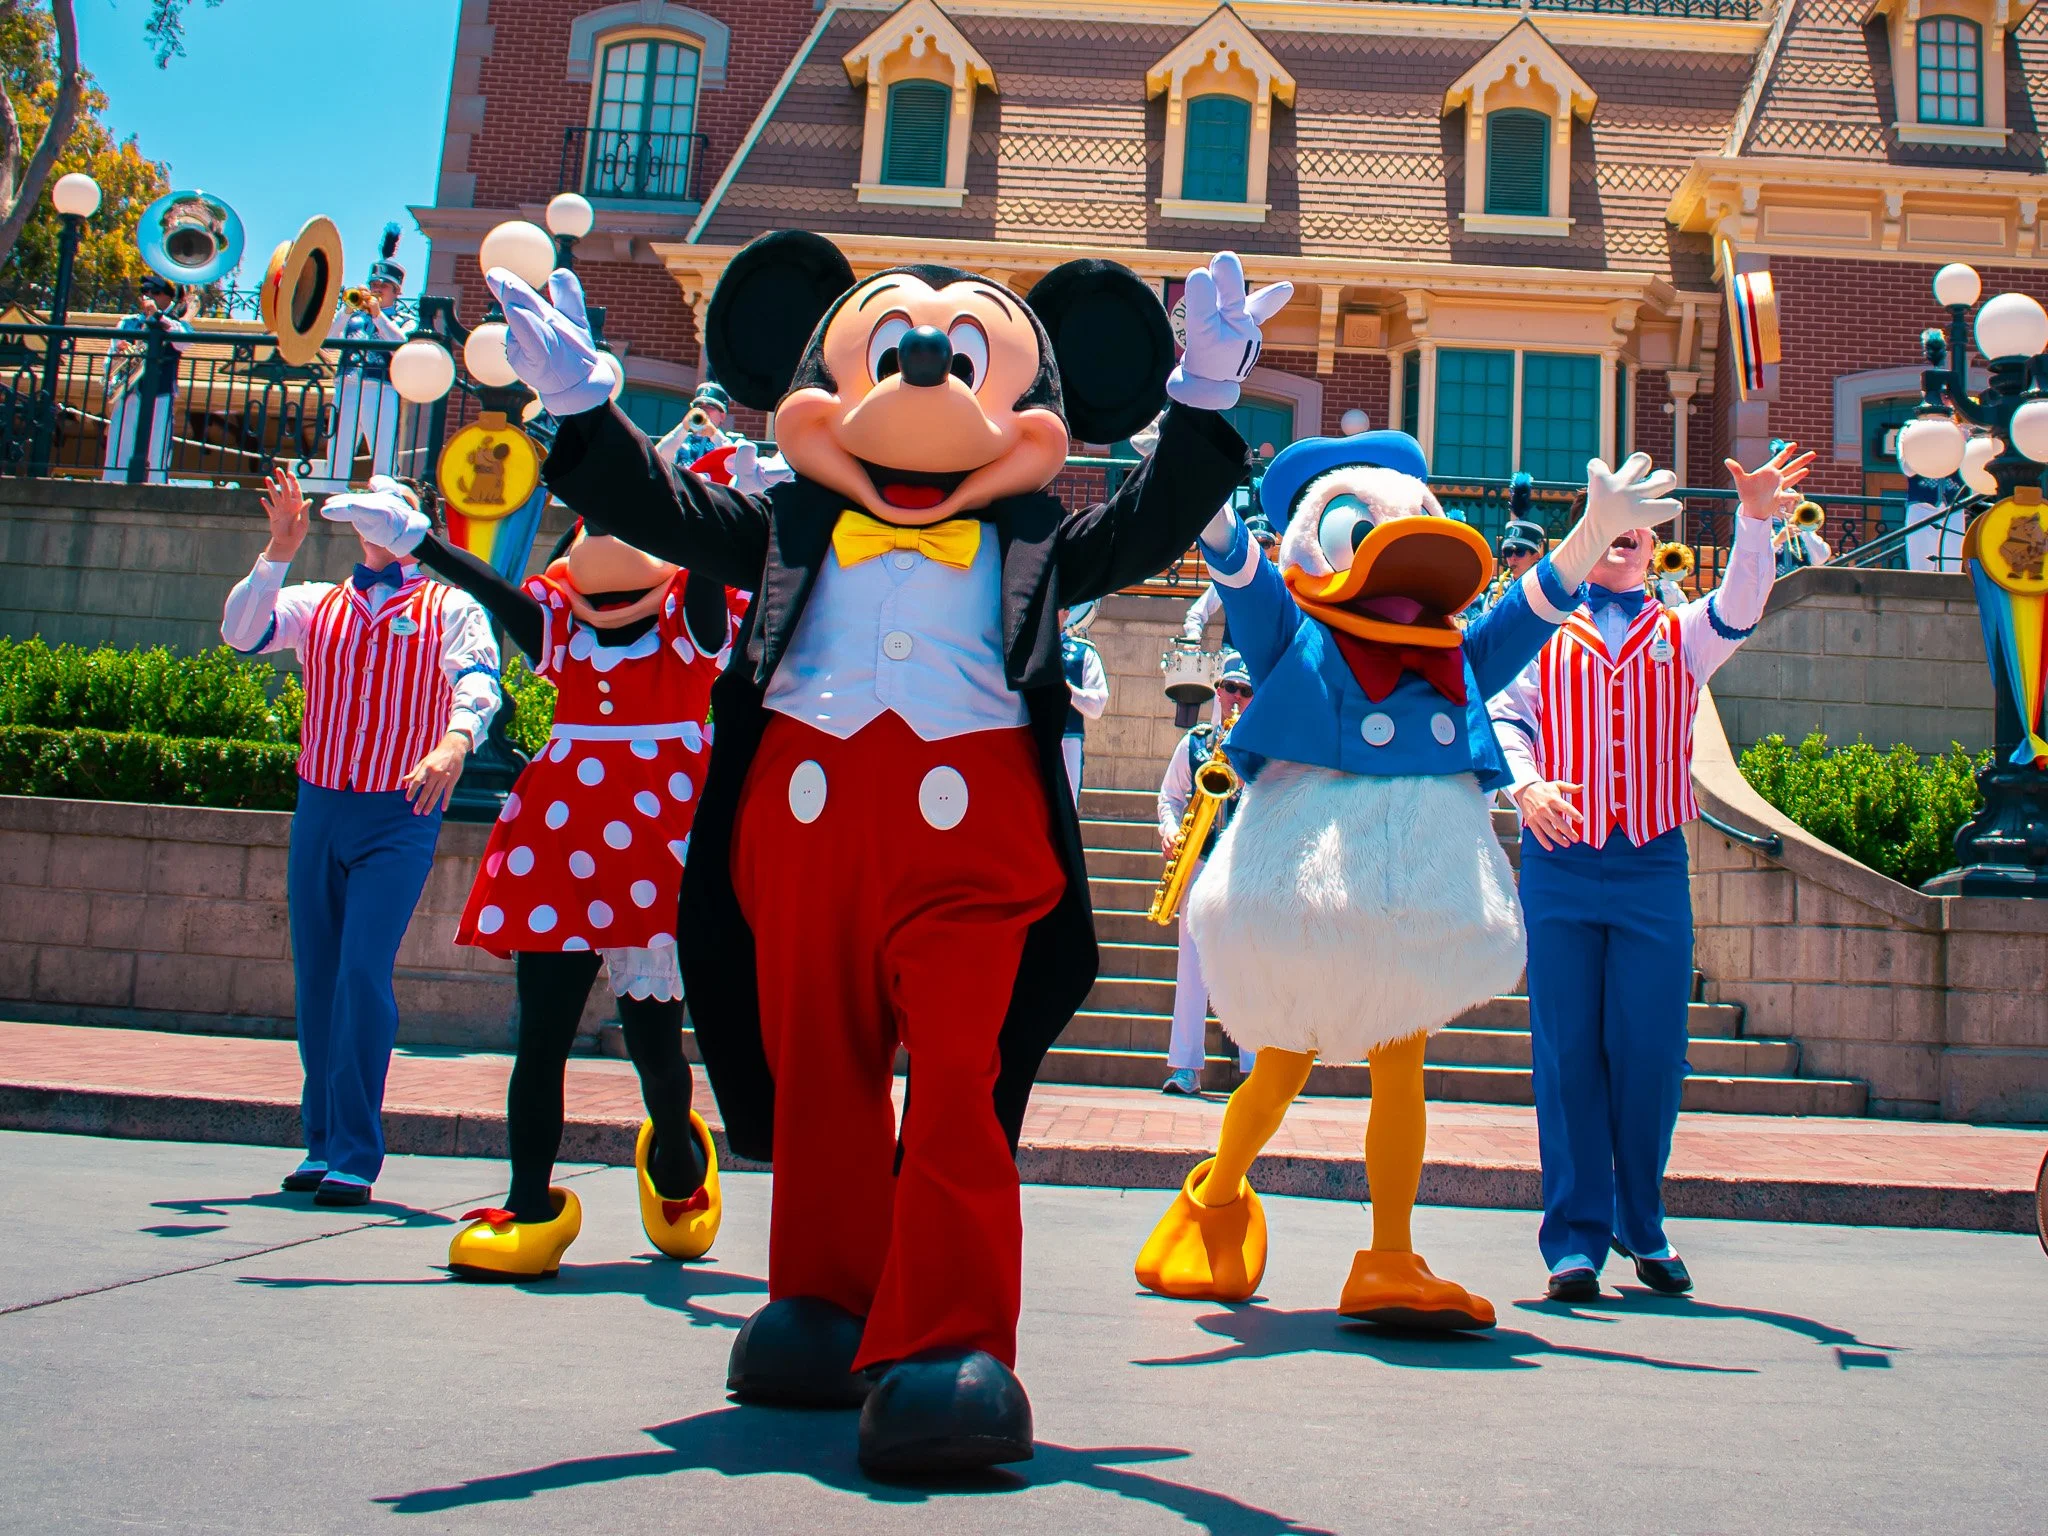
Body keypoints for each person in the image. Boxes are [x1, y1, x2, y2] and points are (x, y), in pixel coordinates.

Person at [488, 238, 1278, 1473]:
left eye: (967, 364)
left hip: (975, 854)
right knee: (822, 1078)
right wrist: (584, 412)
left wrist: (1206, 401)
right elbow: (659, 511)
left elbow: (1143, 526)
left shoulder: (1029, 542)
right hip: (801, 845)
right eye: (886, 355)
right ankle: (825, 1294)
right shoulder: (784, 529)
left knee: (955, 1082)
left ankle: (951, 1341)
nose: (921, 386)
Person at [1134, 435, 1677, 1334]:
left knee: (1399, 1065)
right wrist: (1188, 468)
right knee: (1276, 1070)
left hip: (1404, 913)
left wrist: (1591, 533)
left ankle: (1389, 1256)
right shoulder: (1293, 638)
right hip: (1306, 904)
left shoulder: (1453, 656)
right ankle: (1215, 1201)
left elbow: (1531, 610)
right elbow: (1234, 561)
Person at [1490, 442, 1813, 1303]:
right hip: (1561, 865)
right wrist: (1523, 785)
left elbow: (1745, 604)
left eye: (1640, 532)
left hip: (1651, 867)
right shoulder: (1542, 635)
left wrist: (1753, 521)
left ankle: (1643, 1220)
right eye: (1611, 528)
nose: (1626, 539)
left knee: (1652, 1051)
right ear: (1591, 538)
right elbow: (1500, 716)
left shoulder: (1684, 634)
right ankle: (1574, 1241)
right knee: (1565, 1052)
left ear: (1651, 549)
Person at [397, 518, 744, 1276]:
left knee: (655, 1054)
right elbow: (489, 586)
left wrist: (709, 511)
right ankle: (529, 1205)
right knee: (540, 1038)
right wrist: (420, 538)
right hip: (563, 849)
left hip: (658, 855)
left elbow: (712, 577)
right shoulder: (560, 628)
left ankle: (679, 1164)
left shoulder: (689, 626)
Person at [220, 468, 500, 1206]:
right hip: (321, 805)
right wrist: (277, 551)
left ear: (412, 522)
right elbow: (241, 632)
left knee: (360, 973)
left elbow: (479, 679)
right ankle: (320, 1141)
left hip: (398, 812)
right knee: (316, 978)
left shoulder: (452, 605)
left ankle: (354, 1150)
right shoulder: (318, 603)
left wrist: (457, 739)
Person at [1157, 650, 1254, 1095]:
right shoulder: (1194, 741)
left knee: (1250, 965)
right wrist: (1172, 831)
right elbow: (1169, 796)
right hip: (1199, 858)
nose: (1237, 697)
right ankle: (1184, 1068)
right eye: (1231, 688)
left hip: (1244, 867)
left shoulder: (1264, 748)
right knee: (1191, 964)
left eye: (1246, 691)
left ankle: (1255, 1072)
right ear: (1217, 691)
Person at [311, 223, 408, 491]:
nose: (376, 289)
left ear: (396, 291)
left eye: (383, 286)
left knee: (382, 444)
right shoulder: (353, 318)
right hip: (347, 383)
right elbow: (327, 344)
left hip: (382, 387)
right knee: (340, 441)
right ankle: (333, 489)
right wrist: (344, 312)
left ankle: (386, 493)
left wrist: (379, 317)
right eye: (373, 284)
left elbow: (401, 346)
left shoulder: (402, 320)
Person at [101, 274, 192, 484]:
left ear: (170, 298)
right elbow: (111, 359)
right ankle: (112, 487)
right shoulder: (128, 323)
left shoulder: (177, 324)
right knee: (119, 447)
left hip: (160, 393)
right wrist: (116, 369)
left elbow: (184, 343)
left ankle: (156, 488)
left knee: (157, 447)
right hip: (129, 391)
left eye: (155, 293)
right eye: (145, 292)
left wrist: (158, 318)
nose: (148, 296)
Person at [1182, 513, 1277, 643]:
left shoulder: (1282, 578)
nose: (1260, 548)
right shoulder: (1229, 575)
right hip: (1233, 654)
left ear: (1273, 547)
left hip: (1271, 659)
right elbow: (1197, 613)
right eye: (1255, 542)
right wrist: (1193, 634)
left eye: (1265, 543)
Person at [1060, 604, 1108, 806]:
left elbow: (1097, 706)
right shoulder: (1024, 650)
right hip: (1028, 738)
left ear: (1065, 613)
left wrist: (1066, 689)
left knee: (1066, 806)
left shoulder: (1082, 653)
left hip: (1067, 739)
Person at [655, 380, 734, 468]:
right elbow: (658, 456)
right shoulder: (680, 439)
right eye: (699, 407)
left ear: (722, 416)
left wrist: (713, 434)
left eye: (709, 407)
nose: (703, 411)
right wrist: (683, 427)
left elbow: (731, 459)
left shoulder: (730, 441)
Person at [1904, 468, 1965, 572]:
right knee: (1921, 564)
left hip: (1954, 508)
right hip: (1921, 507)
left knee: (1952, 562)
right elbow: (1907, 469)